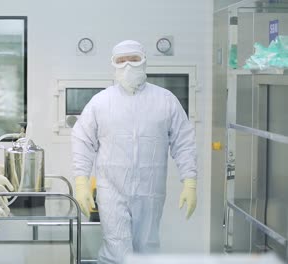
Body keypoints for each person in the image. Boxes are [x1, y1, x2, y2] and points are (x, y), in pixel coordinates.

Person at [72, 40, 197, 263]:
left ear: (144, 61)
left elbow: (184, 141)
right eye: (121, 61)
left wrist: (190, 182)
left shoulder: (165, 100)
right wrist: (81, 182)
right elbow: (82, 140)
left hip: (150, 191)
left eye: (133, 59)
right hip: (111, 190)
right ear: (113, 65)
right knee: (117, 250)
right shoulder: (100, 102)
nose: (128, 66)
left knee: (147, 248)